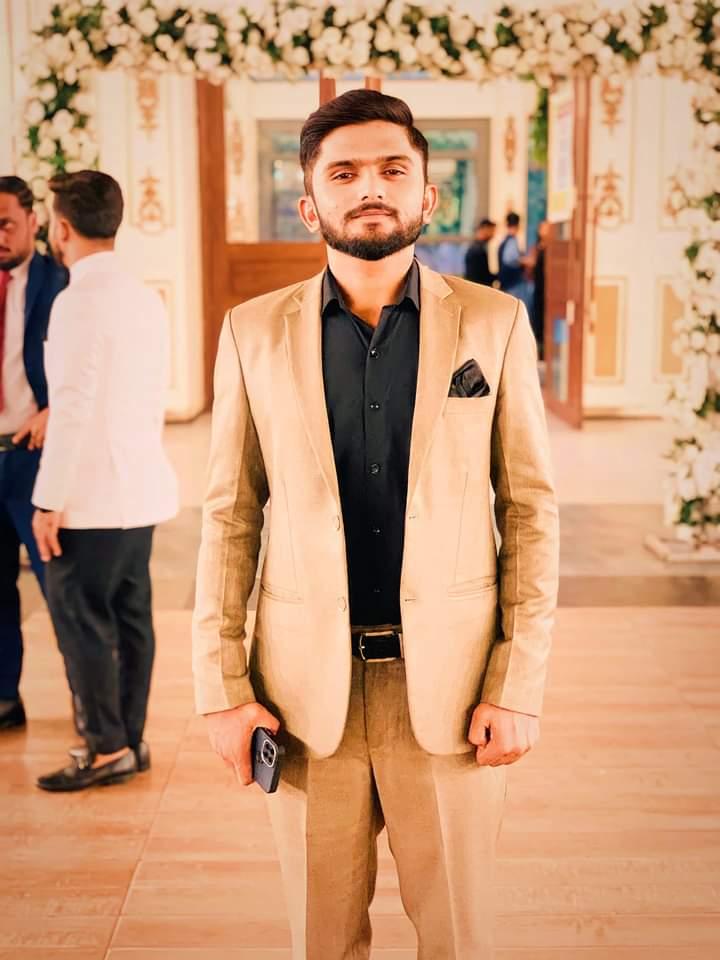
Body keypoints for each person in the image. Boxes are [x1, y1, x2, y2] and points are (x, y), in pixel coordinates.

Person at [193, 90, 559, 959]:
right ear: (308, 202)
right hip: (303, 695)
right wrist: (222, 687)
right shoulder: (251, 332)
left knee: (459, 935)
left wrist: (518, 683)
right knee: (321, 940)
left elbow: (530, 511)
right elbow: (230, 516)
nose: (370, 188)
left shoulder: (495, 322)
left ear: (427, 195)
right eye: (344, 172)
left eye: (393, 170)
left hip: (454, 690)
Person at [31, 170, 178, 792]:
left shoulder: (77, 301)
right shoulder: (145, 297)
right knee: (131, 620)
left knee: (82, 623)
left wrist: (47, 500)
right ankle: (130, 740)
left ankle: (104, 747)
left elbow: (71, 407)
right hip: (139, 491)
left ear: (62, 227)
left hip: (89, 498)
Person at [0, 176, 67, 731]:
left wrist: (55, 409)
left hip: (35, 457)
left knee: (59, 588)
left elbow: (88, 367)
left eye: (5, 224)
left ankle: (93, 708)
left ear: (33, 222)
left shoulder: (61, 283)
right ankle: (5, 698)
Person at [531, 219, 550, 360]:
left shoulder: (551, 248)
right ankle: (539, 351)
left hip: (547, 290)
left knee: (544, 321)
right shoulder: (537, 247)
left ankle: (545, 352)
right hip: (538, 289)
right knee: (537, 321)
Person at [464, 216, 497, 286]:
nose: (493, 235)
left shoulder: (476, 247)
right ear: (485, 229)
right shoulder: (478, 250)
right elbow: (482, 276)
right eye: (492, 231)